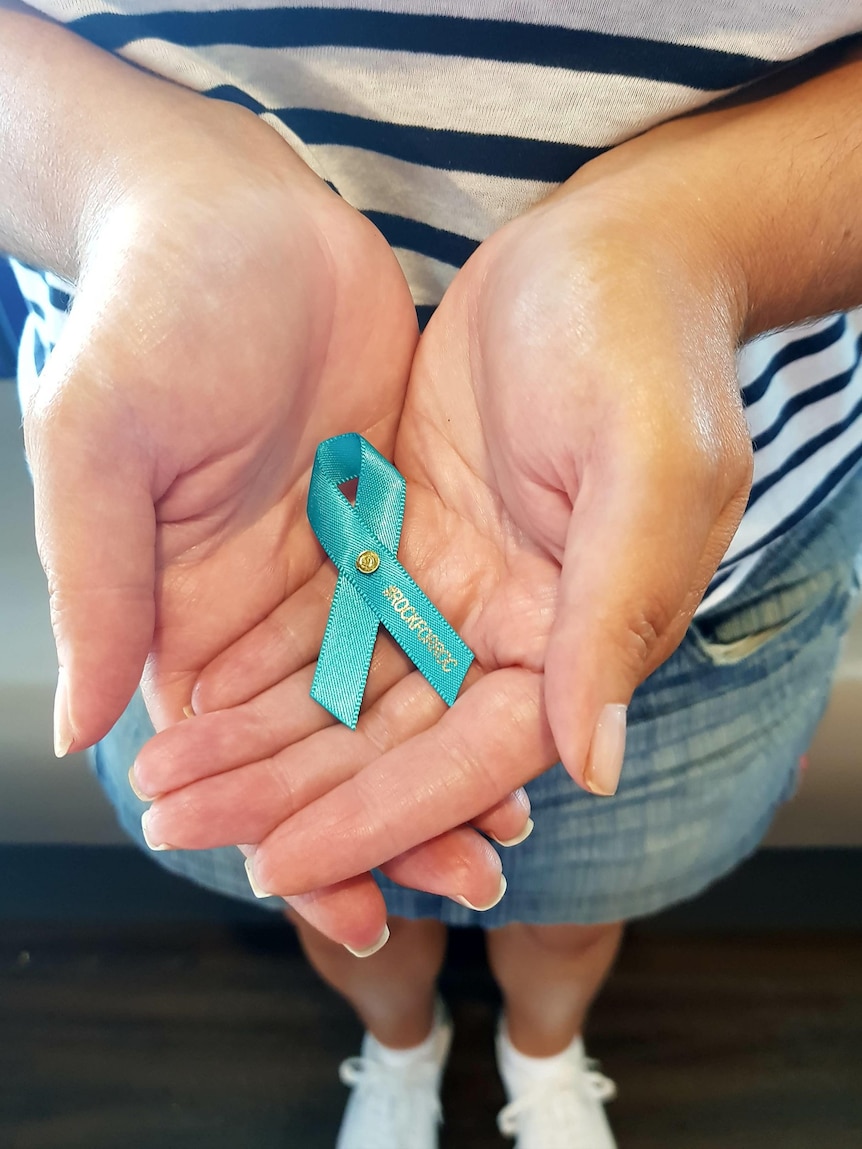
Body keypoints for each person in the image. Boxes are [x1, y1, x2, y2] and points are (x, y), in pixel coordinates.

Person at [3, 2, 862, 1145]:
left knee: (571, 918)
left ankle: (543, 1055)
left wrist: (692, 242)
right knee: (336, 890)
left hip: (707, 569)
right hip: (206, 547)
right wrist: (130, 185)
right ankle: (401, 1049)